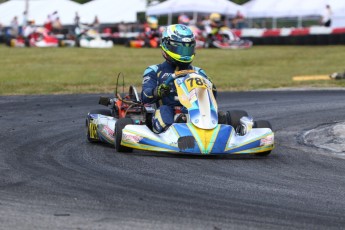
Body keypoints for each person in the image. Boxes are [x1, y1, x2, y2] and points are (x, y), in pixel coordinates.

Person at [141, 24, 217, 134]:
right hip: (168, 111)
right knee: (164, 111)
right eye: (179, 48)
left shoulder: (198, 72)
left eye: (187, 49)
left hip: (195, 112)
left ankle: (210, 129)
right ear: (166, 45)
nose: (184, 54)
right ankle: (172, 131)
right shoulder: (154, 70)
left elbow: (212, 99)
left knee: (217, 114)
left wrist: (210, 87)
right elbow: (145, 96)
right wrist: (157, 91)